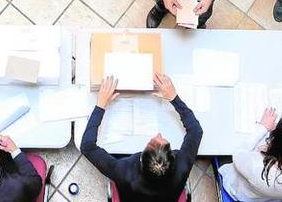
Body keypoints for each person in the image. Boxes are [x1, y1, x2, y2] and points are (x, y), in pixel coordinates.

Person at [80, 74, 203, 202]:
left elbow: (87, 147)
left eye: (153, 141)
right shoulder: (182, 167)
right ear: (173, 161)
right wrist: (174, 98)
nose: (158, 134)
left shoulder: (123, 171)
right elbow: (196, 131)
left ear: (140, 159)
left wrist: (100, 105)